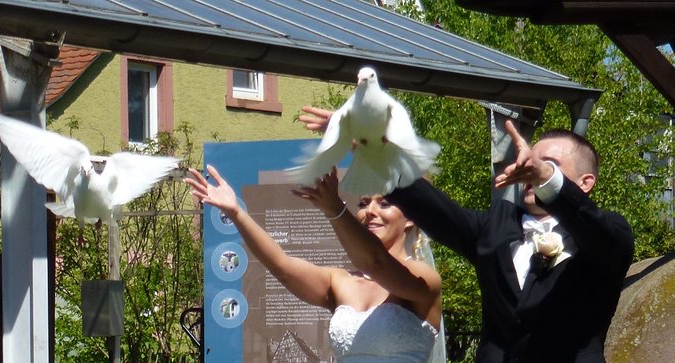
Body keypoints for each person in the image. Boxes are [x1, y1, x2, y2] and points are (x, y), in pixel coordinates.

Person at [298, 106, 635, 362]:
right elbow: (429, 205)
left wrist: (547, 178)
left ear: (585, 183)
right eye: (530, 159)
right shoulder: (493, 228)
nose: (530, 167)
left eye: (549, 164)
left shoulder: (607, 237)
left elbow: (595, 229)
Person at [185, 165, 444, 362]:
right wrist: (237, 212)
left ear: (410, 218)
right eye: (364, 203)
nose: (370, 211)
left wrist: (335, 210)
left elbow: (376, 262)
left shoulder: (423, 279)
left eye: (385, 203)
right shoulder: (340, 281)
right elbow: (281, 266)